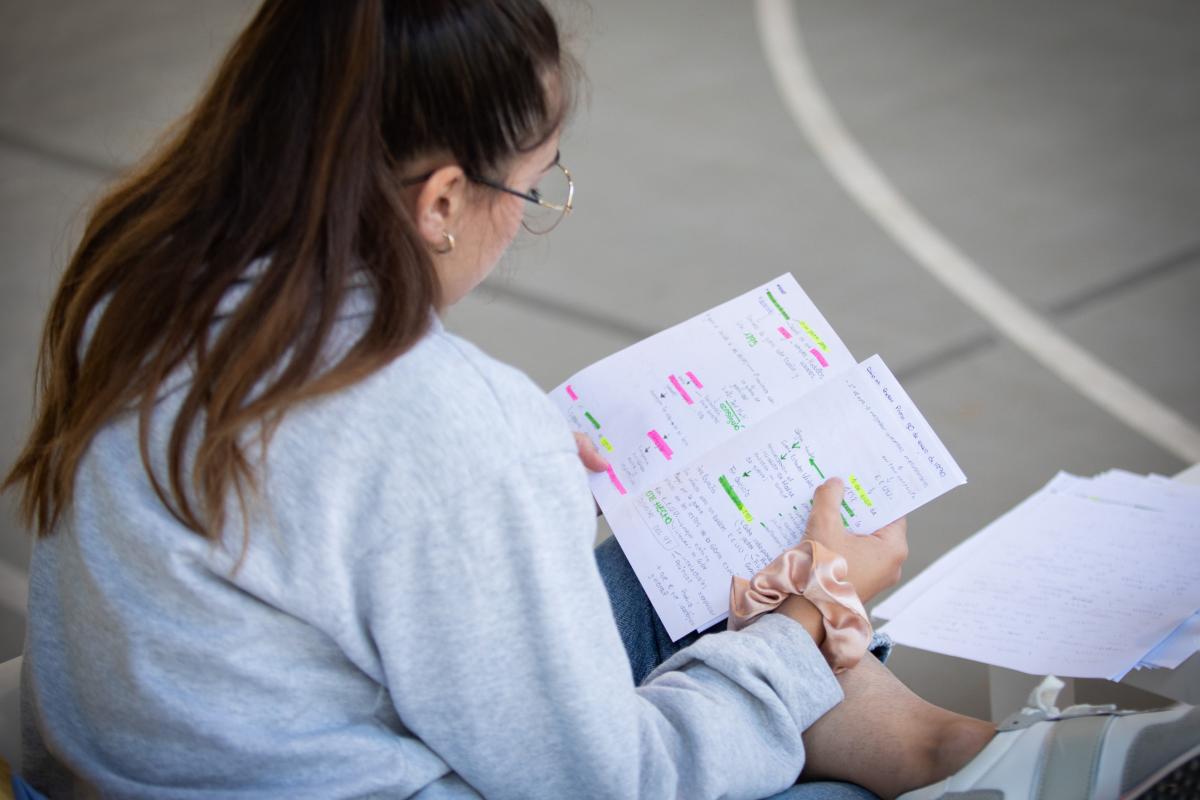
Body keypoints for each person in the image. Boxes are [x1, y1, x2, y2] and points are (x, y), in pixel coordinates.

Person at [4, 2, 1196, 798]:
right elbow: (604, 780)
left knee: (696, 572)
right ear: (438, 202)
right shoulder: (437, 419)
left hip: (154, 754)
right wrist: (795, 626)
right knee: (782, 631)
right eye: (533, 190)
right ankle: (943, 746)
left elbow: (345, 511)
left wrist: (505, 496)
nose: (528, 219)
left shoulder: (150, 279)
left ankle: (919, 730)